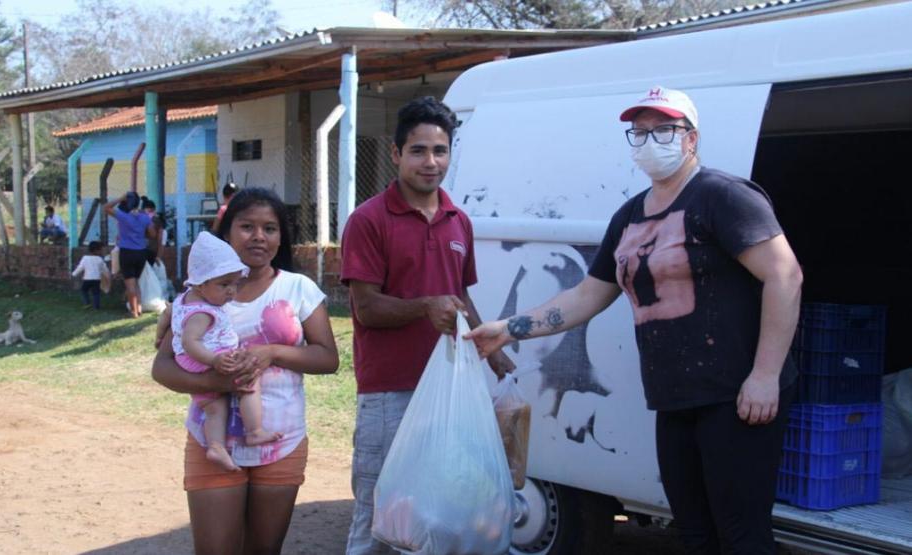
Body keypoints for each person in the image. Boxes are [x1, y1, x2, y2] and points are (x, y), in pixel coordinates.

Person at [466, 87, 804, 554]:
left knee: (742, 536)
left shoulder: (723, 197)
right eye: (640, 132)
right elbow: (587, 295)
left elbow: (785, 276)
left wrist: (764, 376)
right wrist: (507, 329)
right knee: (694, 533)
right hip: (674, 398)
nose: (649, 140)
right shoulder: (628, 216)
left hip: (736, 396)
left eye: (663, 129)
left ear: (691, 139)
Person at [341, 96, 515, 555]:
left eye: (440, 151)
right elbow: (365, 308)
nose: (430, 162)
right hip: (390, 392)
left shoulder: (459, 221)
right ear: (396, 154)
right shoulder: (368, 220)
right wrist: (424, 308)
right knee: (379, 514)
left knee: (439, 510)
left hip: (452, 388)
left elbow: (460, 295)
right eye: (418, 151)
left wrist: (492, 348)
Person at [152, 187, 339, 555]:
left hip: (280, 442)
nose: (259, 237)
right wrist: (213, 381)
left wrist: (272, 352)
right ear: (226, 233)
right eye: (247, 226)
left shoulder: (298, 288)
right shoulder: (197, 298)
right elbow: (162, 368)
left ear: (281, 237)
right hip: (212, 443)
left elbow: (328, 358)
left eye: (270, 228)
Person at [170, 231, 284, 473]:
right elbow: (191, 341)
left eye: (234, 283)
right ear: (201, 284)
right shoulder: (203, 312)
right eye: (224, 285)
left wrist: (161, 330)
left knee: (214, 407)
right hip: (204, 358)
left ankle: (216, 446)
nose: (231, 291)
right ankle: (254, 431)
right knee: (248, 378)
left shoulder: (183, 300)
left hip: (191, 362)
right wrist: (215, 360)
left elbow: (166, 317)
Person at [104, 191, 156, 318]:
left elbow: (106, 207)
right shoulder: (144, 217)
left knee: (129, 283)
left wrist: (120, 198)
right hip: (141, 252)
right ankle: (139, 307)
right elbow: (153, 234)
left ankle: (134, 311)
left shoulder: (123, 216)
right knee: (136, 281)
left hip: (127, 252)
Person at [71, 241, 109, 309]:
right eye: (100, 250)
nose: (101, 251)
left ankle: (87, 303)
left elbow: (80, 267)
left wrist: (74, 274)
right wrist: (108, 275)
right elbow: (104, 269)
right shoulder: (100, 259)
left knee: (84, 290)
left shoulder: (85, 258)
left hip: (87, 279)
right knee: (96, 293)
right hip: (97, 279)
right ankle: (96, 306)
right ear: (97, 250)